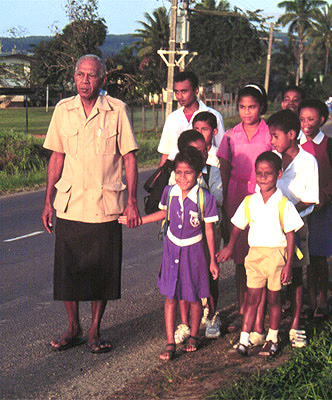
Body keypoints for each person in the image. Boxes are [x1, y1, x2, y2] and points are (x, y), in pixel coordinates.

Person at [41, 54, 141, 354]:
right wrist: (47, 201)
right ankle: (74, 328)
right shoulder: (63, 110)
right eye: (80, 75)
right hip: (71, 204)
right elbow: (56, 156)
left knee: (102, 272)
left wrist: (132, 200)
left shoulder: (117, 110)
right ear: (74, 77)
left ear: (103, 79)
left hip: (104, 204)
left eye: (92, 75)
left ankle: (95, 330)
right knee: (68, 271)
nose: (85, 81)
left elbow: (129, 157)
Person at [120, 147, 219, 360]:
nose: (182, 178)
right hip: (171, 249)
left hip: (194, 252)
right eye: (179, 172)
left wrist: (212, 260)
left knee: (194, 297)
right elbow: (163, 214)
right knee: (170, 296)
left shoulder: (206, 199)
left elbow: (209, 230)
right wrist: (138, 220)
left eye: (188, 173)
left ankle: (193, 336)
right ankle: (170, 342)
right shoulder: (169, 192)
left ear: (199, 174)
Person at [217, 151, 303, 357]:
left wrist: (289, 264)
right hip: (254, 256)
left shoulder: (284, 204)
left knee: (274, 299)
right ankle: (244, 341)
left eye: (268, 173)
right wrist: (229, 246)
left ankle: (272, 339)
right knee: (252, 298)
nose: (263, 177)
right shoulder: (250, 202)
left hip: (276, 256)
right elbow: (237, 227)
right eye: (259, 173)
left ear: (279, 175)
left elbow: (291, 236)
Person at [217, 83, 272, 336]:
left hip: (262, 196)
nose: (247, 112)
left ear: (261, 107)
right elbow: (225, 170)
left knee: (261, 254)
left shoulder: (269, 133)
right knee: (241, 258)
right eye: (242, 107)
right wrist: (228, 204)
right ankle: (242, 310)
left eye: (252, 107)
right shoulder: (230, 136)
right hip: (237, 195)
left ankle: (262, 309)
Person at [267, 109, 319, 347]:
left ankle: (296, 324)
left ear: (291, 134)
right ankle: (269, 326)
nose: (272, 141)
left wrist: (287, 214)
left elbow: (311, 198)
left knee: (296, 275)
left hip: (297, 227)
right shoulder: (270, 157)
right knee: (273, 275)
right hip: (271, 227)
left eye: (275, 136)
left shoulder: (308, 161)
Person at [168, 129, 223, 340]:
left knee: (209, 274)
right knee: (183, 277)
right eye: (195, 151)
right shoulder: (177, 174)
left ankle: (210, 316)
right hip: (182, 235)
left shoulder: (211, 171)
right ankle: (185, 323)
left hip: (207, 230)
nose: (202, 155)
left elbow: (217, 198)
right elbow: (171, 200)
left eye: (204, 150)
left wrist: (198, 183)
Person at [299, 99, 332, 318]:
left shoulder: (331, 146)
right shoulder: (297, 145)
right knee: (306, 257)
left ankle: (323, 300)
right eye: (302, 119)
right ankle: (309, 301)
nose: (305, 124)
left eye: (311, 119)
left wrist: (324, 198)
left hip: (325, 208)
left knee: (320, 257)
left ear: (322, 120)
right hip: (303, 208)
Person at [157, 71, 225, 167]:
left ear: (196, 90)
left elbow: (222, 152)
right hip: (177, 173)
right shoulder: (172, 118)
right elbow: (166, 153)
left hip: (206, 172)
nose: (180, 96)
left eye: (184, 91)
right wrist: (159, 179)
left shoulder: (213, 116)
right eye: (176, 92)